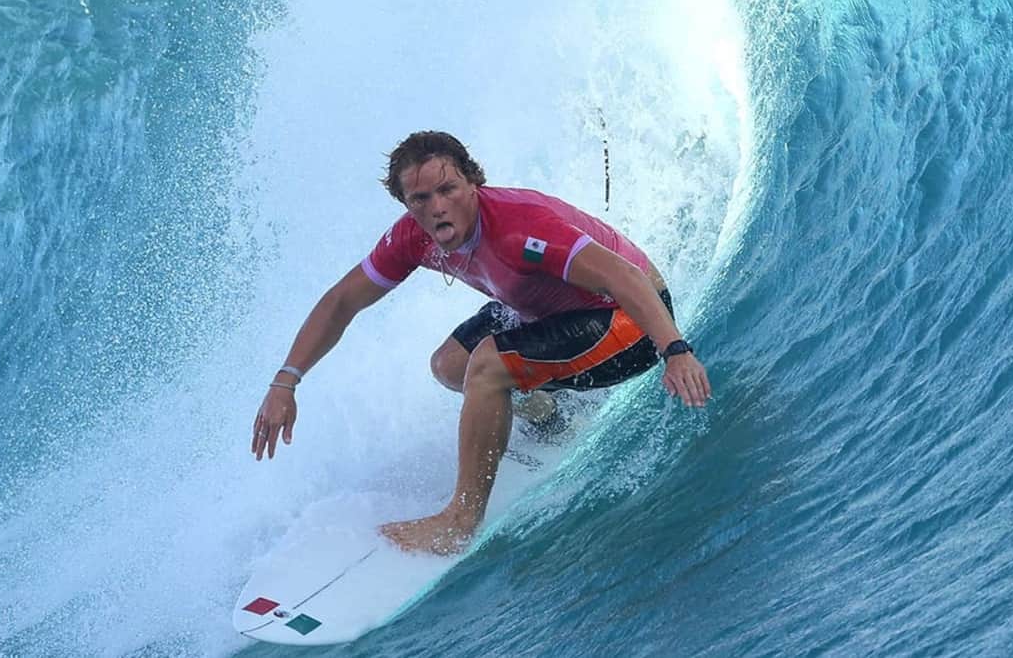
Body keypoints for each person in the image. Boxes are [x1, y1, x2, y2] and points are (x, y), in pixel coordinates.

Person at [252, 131, 710, 554]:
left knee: (488, 367)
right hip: (548, 310)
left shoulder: (518, 230)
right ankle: (550, 419)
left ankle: (459, 521)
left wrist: (676, 351)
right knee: (451, 365)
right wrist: (285, 382)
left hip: (631, 320)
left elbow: (623, 277)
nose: (436, 207)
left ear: (473, 182)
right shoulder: (413, 238)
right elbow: (341, 301)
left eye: (448, 189)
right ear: (406, 204)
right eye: (420, 198)